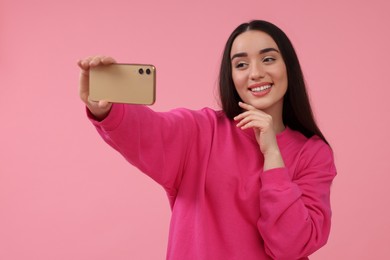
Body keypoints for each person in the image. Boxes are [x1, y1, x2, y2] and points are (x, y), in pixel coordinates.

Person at [78, 20, 337, 260]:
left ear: (288, 68)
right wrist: (106, 109)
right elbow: (149, 131)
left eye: (268, 59)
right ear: (231, 76)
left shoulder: (313, 153)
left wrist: (273, 155)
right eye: (241, 64)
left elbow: (291, 246)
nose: (255, 73)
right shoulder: (202, 131)